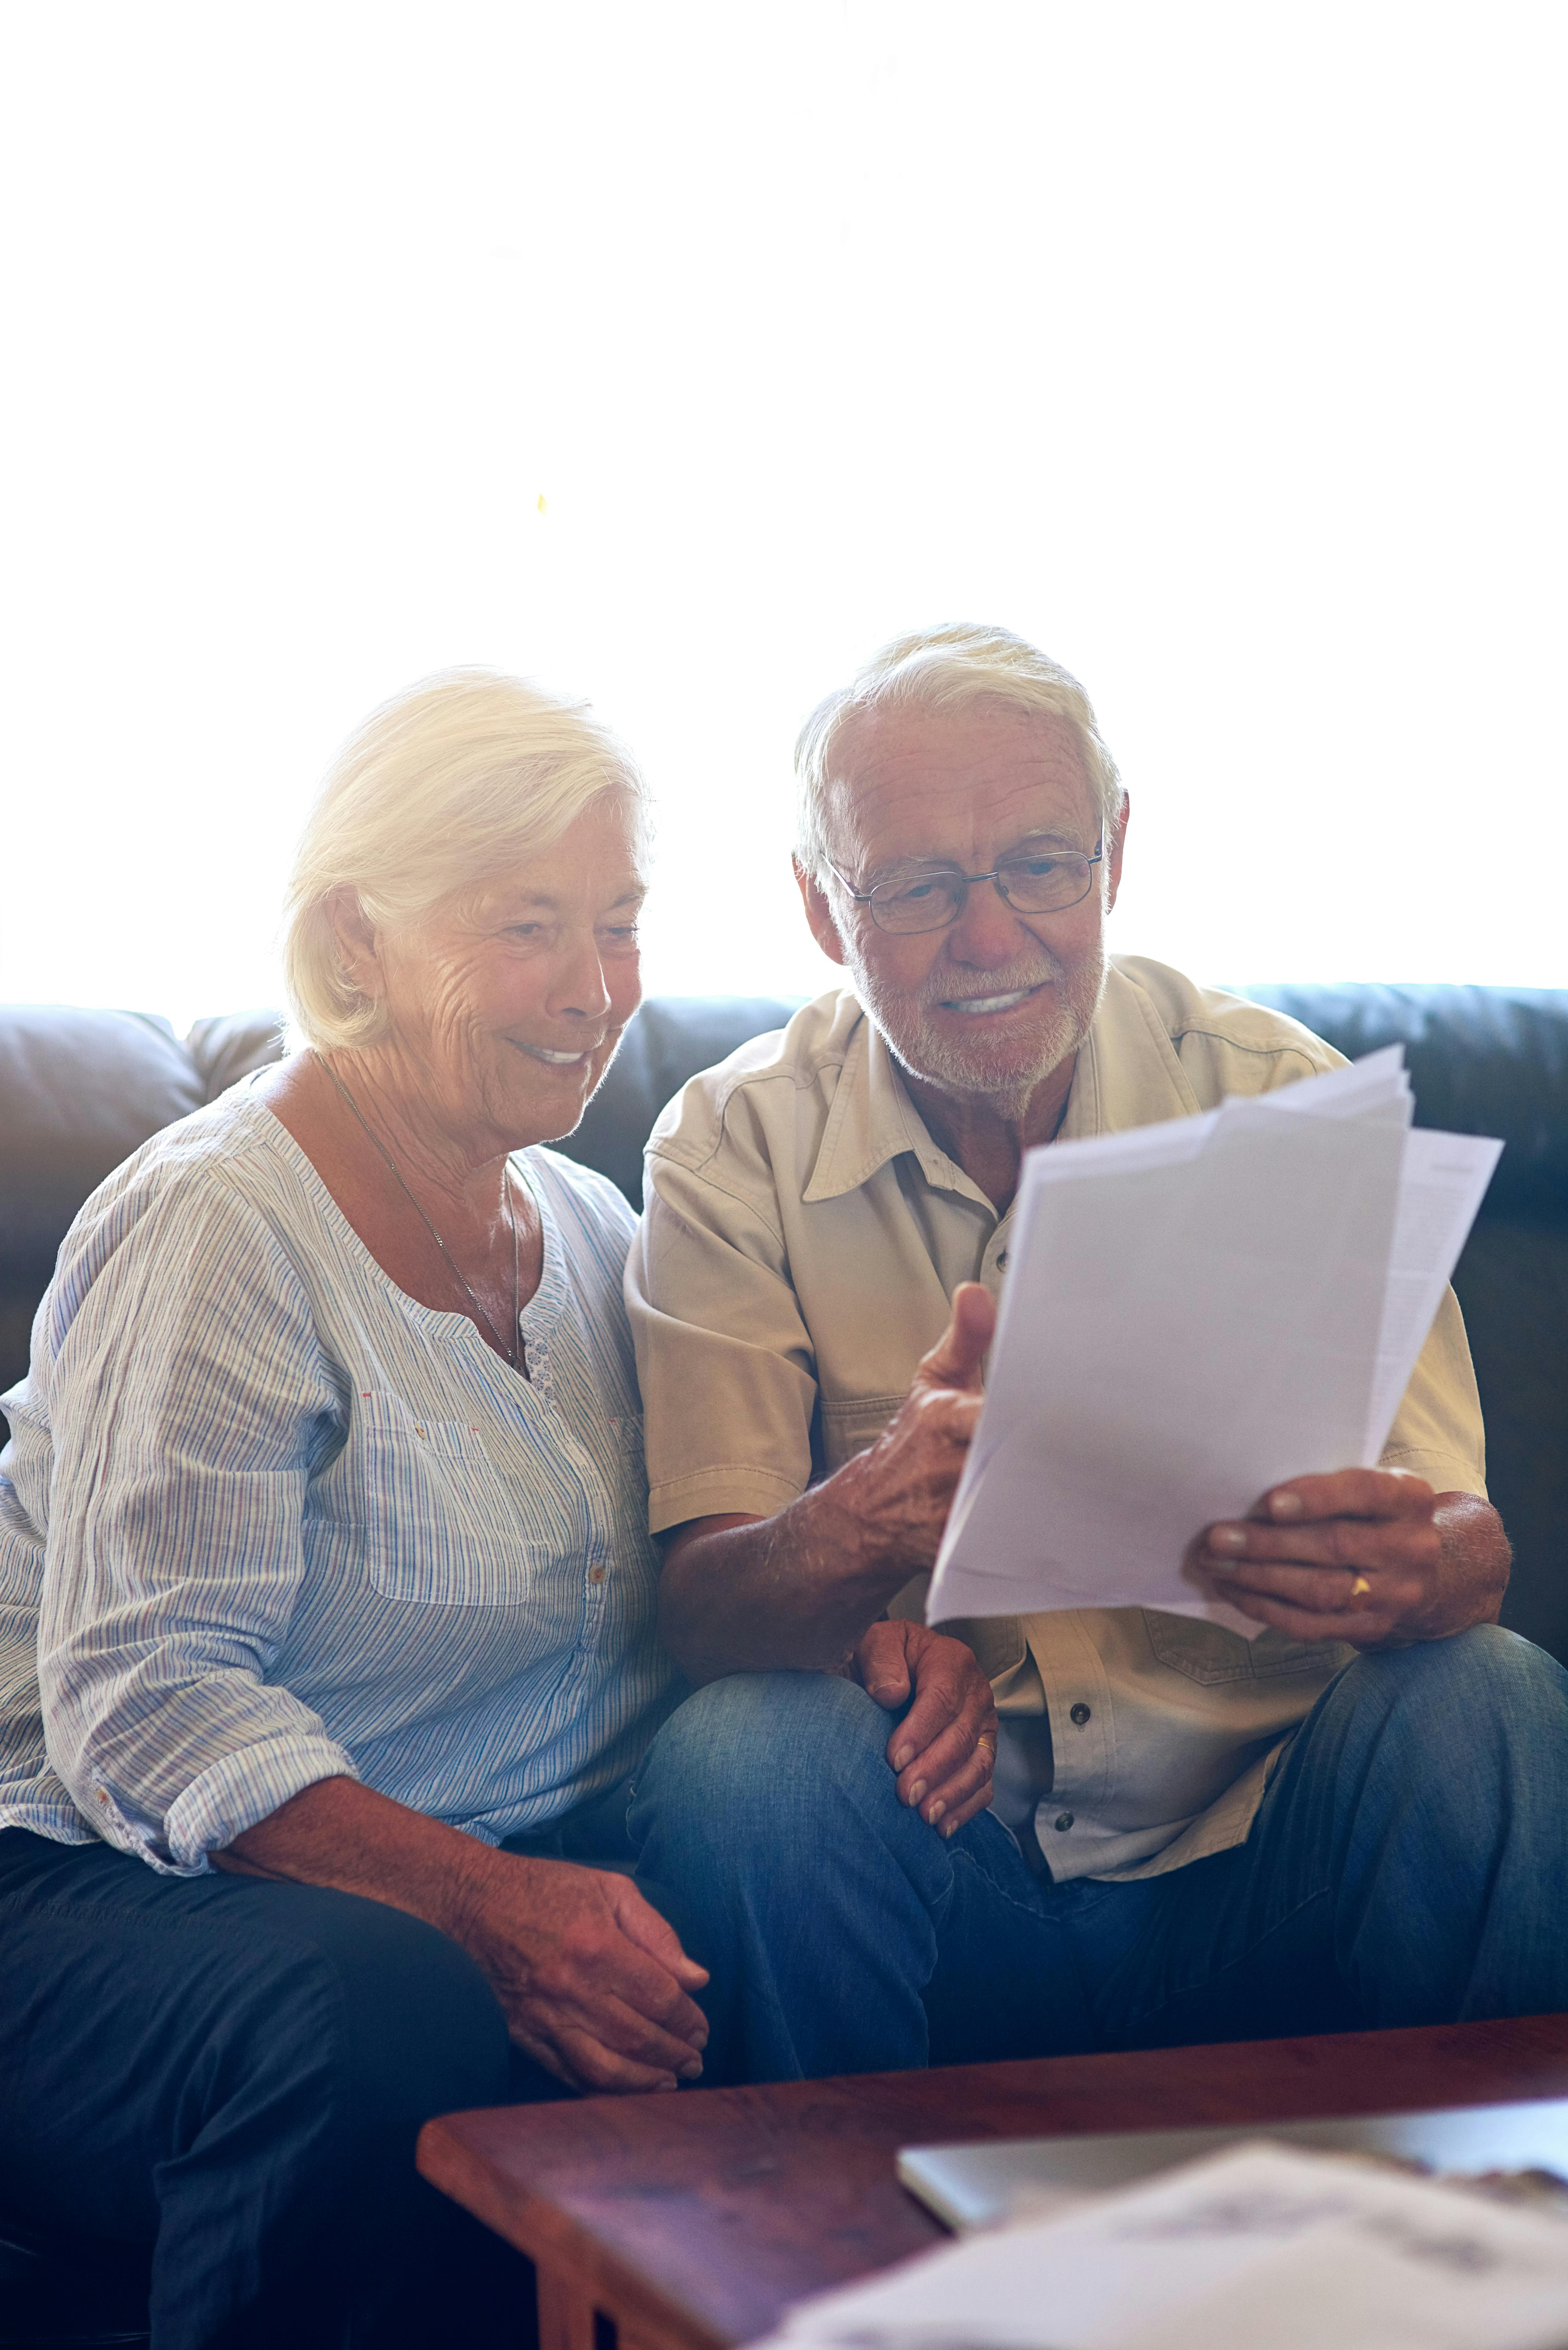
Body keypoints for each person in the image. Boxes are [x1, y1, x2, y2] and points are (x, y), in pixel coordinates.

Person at [624, 621, 1568, 2085]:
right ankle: (825, 2296)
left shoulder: (1278, 1099)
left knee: (1486, 1693)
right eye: (920, 885)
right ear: (820, 907)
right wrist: (868, 1522)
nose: (991, 938)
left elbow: (1468, 1546)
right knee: (746, 1757)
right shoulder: (728, 1143)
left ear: (1115, 856)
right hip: (953, 1871)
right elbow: (703, 1609)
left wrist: (1394, 1565)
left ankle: (1480, 2268)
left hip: (1275, 1857)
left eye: (1042, 865)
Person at [0, 671, 712, 2349]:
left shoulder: (599, 1231)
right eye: (529, 927)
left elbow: (688, 1590)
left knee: (780, 1857)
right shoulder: (224, 1224)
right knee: (387, 2003)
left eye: (619, 925)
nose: (599, 990)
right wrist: (488, 1902)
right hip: (81, 1869)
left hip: (442, 1859)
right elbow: (149, 1706)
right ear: (356, 941)